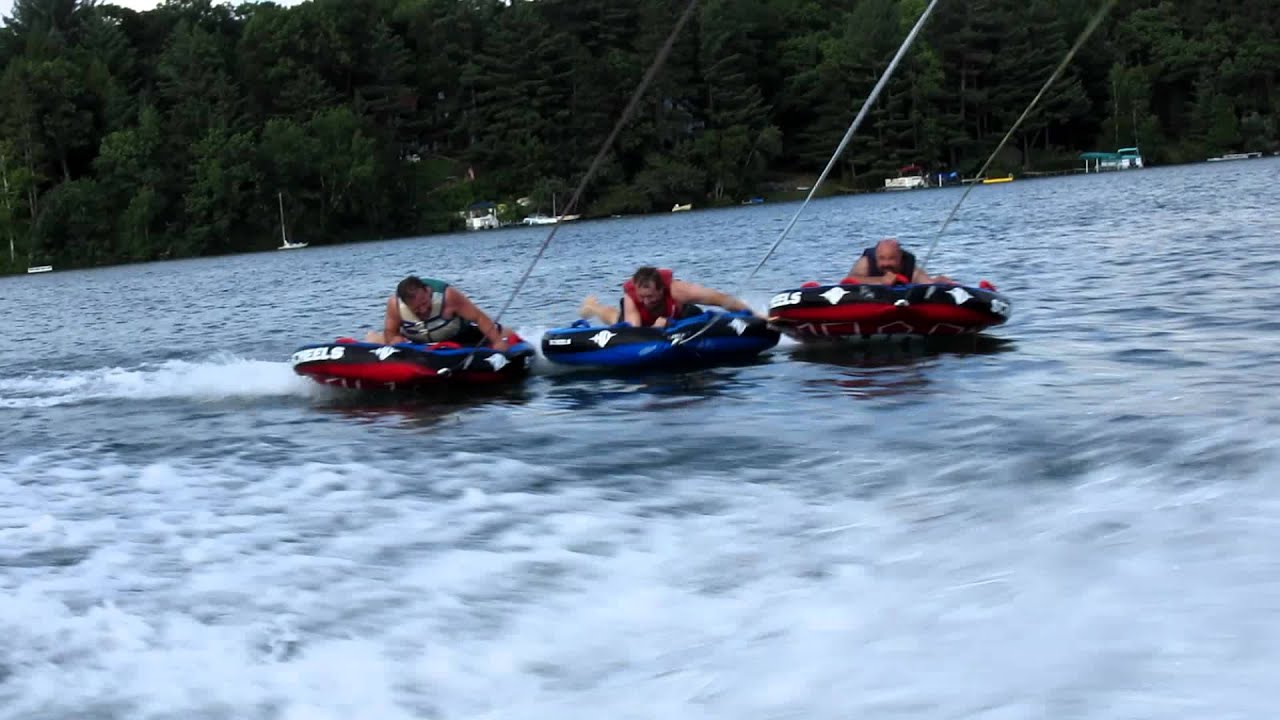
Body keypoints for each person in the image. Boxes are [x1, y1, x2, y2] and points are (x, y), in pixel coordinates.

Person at [579, 266, 757, 328]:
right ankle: (593, 306)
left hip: (676, 314)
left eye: (651, 296)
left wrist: (755, 315)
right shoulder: (633, 298)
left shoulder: (679, 290)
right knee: (615, 318)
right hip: (643, 320)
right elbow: (634, 331)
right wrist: (655, 330)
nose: (647, 301)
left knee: (695, 312)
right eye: (643, 297)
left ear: (661, 289)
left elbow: (722, 299)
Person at [364, 275, 509, 351]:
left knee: (502, 334)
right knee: (373, 338)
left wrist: (497, 342)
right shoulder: (395, 305)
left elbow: (479, 317)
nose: (422, 310)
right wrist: (393, 339)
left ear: (428, 292)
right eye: (416, 309)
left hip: (459, 337)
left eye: (424, 304)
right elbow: (390, 330)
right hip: (418, 341)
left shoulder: (448, 296)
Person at [847, 237, 954, 285]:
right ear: (876, 256)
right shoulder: (865, 263)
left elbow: (925, 282)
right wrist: (880, 281)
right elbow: (849, 280)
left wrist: (938, 281)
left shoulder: (908, 265)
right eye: (882, 258)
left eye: (891, 258)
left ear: (900, 258)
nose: (886, 264)